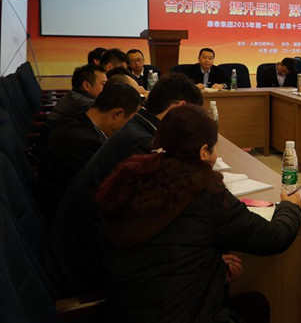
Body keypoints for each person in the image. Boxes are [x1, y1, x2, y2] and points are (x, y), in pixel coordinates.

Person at [95, 104, 301, 323]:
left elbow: (165, 249)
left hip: (120, 311)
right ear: (204, 151)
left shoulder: (132, 179)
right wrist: (290, 207)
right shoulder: (205, 192)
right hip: (183, 315)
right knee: (255, 305)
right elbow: (273, 237)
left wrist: (212, 262)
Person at [46, 73, 204, 296]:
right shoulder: (144, 143)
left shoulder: (136, 128)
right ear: (180, 108)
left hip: (81, 246)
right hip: (89, 264)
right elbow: (155, 212)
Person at [38, 81, 142, 222]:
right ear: (117, 113)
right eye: (130, 121)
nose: (129, 128)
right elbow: (103, 194)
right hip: (69, 220)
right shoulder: (82, 144)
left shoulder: (81, 118)